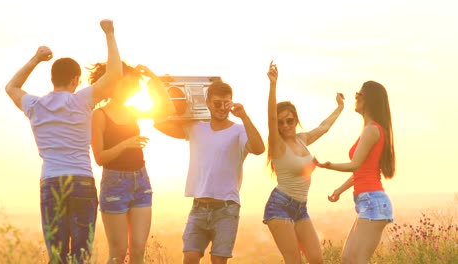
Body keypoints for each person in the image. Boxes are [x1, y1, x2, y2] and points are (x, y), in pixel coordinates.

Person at [4, 20, 123, 263]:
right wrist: (109, 33)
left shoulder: (35, 106)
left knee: (57, 256)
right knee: (80, 256)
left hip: (51, 182)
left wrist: (36, 58)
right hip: (81, 181)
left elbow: (11, 86)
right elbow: (114, 75)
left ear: (52, 78)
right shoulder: (82, 101)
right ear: (75, 79)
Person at [154, 81, 265, 264]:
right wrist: (164, 89)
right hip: (198, 208)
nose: (222, 108)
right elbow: (159, 124)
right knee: (189, 258)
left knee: (218, 261)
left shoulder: (239, 130)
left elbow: (259, 149)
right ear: (208, 102)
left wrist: (244, 117)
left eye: (226, 103)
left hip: (226, 209)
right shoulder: (196, 127)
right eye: (217, 103)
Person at [88, 62, 175, 263]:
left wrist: (153, 77)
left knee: (138, 250)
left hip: (141, 181)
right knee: (118, 253)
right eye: (125, 83)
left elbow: (168, 109)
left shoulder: (134, 110)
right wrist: (125, 144)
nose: (130, 87)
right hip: (114, 183)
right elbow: (100, 158)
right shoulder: (99, 115)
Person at [264, 61, 344, 264]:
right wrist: (273, 84)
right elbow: (271, 120)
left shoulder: (302, 139)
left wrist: (340, 107)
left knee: (317, 259)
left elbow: (324, 127)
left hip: (300, 208)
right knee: (294, 261)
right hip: (280, 206)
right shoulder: (277, 145)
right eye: (281, 121)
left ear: (295, 120)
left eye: (289, 120)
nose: (284, 125)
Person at [315, 81, 396, 264]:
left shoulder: (371, 130)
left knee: (358, 260)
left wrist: (328, 165)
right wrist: (339, 190)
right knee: (347, 259)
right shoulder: (370, 130)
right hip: (367, 201)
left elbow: (354, 164)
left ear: (369, 100)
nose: (356, 97)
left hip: (373, 202)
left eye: (359, 94)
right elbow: (360, 171)